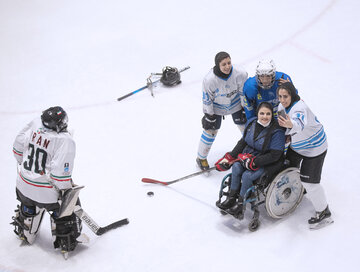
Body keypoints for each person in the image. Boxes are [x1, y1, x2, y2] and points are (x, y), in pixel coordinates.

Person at [11, 106, 82, 253]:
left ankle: (26, 226)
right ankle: (64, 237)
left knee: (28, 202)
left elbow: (18, 148)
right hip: (47, 196)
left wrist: (27, 168)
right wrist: (67, 190)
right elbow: (59, 177)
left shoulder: (35, 123)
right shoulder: (65, 140)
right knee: (66, 206)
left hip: (22, 186)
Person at [277, 82, 333, 229]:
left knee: (310, 182)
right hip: (297, 146)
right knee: (286, 168)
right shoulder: (281, 107)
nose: (282, 100)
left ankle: (324, 213)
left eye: (286, 96)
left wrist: (291, 126)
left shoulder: (299, 108)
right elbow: (286, 126)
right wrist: (288, 134)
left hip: (315, 148)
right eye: (280, 96)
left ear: (292, 95)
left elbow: (298, 123)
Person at [215, 102, 285, 219]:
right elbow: (243, 142)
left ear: (271, 115)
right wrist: (230, 157)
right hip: (248, 156)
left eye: (268, 114)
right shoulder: (251, 123)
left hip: (266, 161)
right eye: (262, 113)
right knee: (236, 167)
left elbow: (274, 156)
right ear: (257, 113)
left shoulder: (277, 132)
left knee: (247, 175)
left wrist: (255, 161)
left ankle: (241, 204)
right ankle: (231, 198)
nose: (264, 116)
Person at [196, 51, 248, 170]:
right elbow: (207, 99)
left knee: (246, 128)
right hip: (217, 107)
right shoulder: (209, 80)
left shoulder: (240, 73)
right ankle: (201, 158)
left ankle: (249, 151)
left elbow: (242, 93)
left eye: (229, 63)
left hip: (235, 104)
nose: (227, 66)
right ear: (217, 66)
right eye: (223, 64)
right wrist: (209, 115)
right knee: (210, 131)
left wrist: (245, 108)